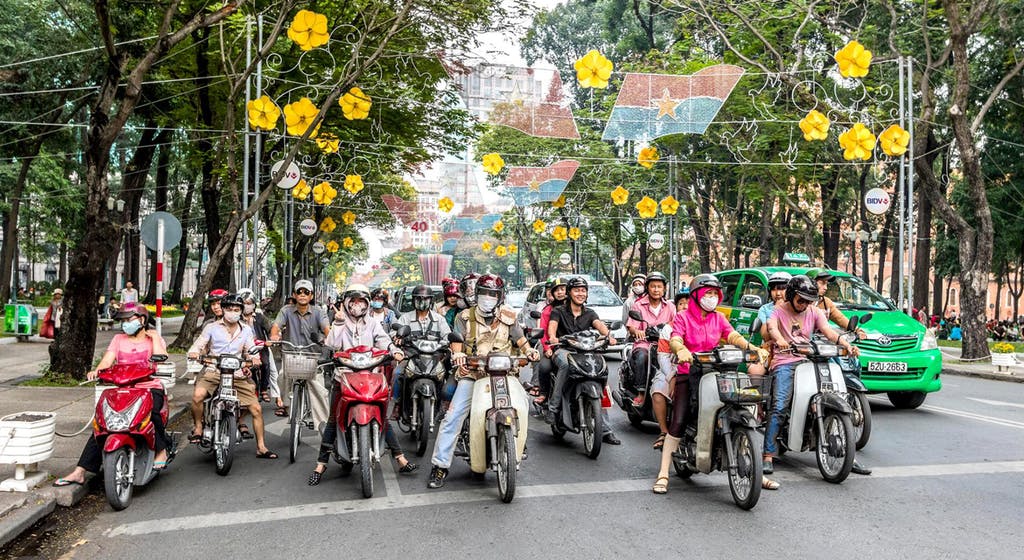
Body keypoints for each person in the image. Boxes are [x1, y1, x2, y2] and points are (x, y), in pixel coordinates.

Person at [653, 274, 771, 494]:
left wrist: (751, 348)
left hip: (717, 372)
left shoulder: (719, 317)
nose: (712, 298)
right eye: (708, 294)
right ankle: (663, 473)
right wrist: (681, 349)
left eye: (715, 294)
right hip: (689, 373)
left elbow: (732, 335)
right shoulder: (683, 317)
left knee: (738, 405)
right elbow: (676, 338)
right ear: (696, 295)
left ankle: (757, 473)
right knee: (678, 421)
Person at [427, 274, 539, 489]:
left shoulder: (509, 315)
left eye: (493, 294)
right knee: (453, 416)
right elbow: (456, 341)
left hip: (505, 373)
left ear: (500, 296)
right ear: (476, 294)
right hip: (473, 373)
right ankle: (440, 465)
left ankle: (519, 445)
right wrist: (458, 355)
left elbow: (520, 339)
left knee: (523, 404)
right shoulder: (464, 316)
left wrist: (530, 351)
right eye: (484, 293)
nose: (488, 297)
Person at [54, 303, 171, 486]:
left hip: (148, 386)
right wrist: (97, 371)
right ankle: (80, 471)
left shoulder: (153, 339)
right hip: (121, 387)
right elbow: (107, 361)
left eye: (128, 319)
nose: (125, 324)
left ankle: (160, 450)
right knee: (103, 423)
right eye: (123, 320)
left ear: (142, 320)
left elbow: (162, 357)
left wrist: (155, 337)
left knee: (152, 412)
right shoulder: (118, 339)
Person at [309, 284, 415, 485]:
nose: (357, 305)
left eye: (361, 301)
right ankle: (320, 464)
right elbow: (332, 345)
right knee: (333, 418)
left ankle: (400, 459)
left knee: (382, 414)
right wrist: (338, 323)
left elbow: (384, 340)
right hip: (344, 376)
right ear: (347, 303)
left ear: (367, 304)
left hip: (370, 376)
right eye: (353, 301)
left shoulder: (373, 323)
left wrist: (395, 351)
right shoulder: (339, 320)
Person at [762, 275, 859, 479]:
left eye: (808, 301)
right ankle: (768, 455)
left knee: (834, 396)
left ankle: (847, 451)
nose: (804, 304)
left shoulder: (814, 311)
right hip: (785, 361)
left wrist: (846, 344)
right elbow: (771, 328)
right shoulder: (778, 311)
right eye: (801, 300)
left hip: (808, 359)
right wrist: (780, 340)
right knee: (780, 406)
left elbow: (828, 331)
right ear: (791, 295)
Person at [188, 294, 277, 458]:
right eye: (229, 309)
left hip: (237, 374)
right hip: (214, 371)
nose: (232, 312)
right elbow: (198, 344)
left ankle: (261, 447)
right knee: (197, 396)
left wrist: (254, 359)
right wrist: (195, 352)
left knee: (256, 409)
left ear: (241, 311)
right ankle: (199, 427)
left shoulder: (246, 330)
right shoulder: (211, 327)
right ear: (223, 310)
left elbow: (250, 349)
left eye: (236, 309)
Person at [545, 276, 617, 426]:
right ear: (569, 293)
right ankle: (553, 408)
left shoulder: (590, 313)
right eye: (577, 290)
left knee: (601, 368)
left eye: (583, 291)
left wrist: (609, 336)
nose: (580, 294)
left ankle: (605, 429)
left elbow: (599, 325)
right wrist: (553, 337)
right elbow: (552, 327)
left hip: (586, 352)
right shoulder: (558, 311)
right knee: (565, 365)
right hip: (564, 350)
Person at [270, 279, 331, 431]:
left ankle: (323, 427)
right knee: (282, 375)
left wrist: (328, 339)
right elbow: (276, 327)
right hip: (291, 355)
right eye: (299, 292)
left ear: (311, 296)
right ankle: (286, 403)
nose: (302, 295)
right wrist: (275, 336)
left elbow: (327, 330)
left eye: (306, 292)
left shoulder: (319, 312)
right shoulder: (286, 310)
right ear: (294, 295)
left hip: (313, 357)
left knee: (319, 390)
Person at [393, 284, 452, 413]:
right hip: (411, 356)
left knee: (446, 374)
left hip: (434, 357)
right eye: (419, 299)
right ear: (413, 300)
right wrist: (398, 338)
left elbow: (447, 335)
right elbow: (395, 334)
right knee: (397, 374)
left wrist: (445, 343)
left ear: (431, 301)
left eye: (425, 299)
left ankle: (443, 403)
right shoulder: (405, 318)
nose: (422, 302)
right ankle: (397, 404)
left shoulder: (439, 319)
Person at [626, 272, 675, 411]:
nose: (656, 289)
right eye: (653, 286)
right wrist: (637, 331)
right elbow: (631, 326)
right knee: (643, 356)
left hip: (665, 345)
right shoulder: (638, 305)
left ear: (664, 289)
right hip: (645, 343)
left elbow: (677, 323)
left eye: (659, 287)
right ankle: (641, 391)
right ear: (647, 287)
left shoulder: (670, 307)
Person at [238, 289, 281, 412]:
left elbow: (270, 328)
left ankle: (264, 390)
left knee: (267, 365)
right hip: (244, 349)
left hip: (261, 346)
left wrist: (273, 337)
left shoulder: (260, 317)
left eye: (249, 303)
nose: (247, 306)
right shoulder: (237, 318)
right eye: (245, 303)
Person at [532, 277, 568, 404]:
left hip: (574, 347)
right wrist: (547, 348)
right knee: (545, 366)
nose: (560, 292)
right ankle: (544, 393)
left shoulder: (576, 308)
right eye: (556, 290)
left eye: (563, 289)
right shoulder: (547, 310)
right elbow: (543, 332)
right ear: (552, 293)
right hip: (553, 346)